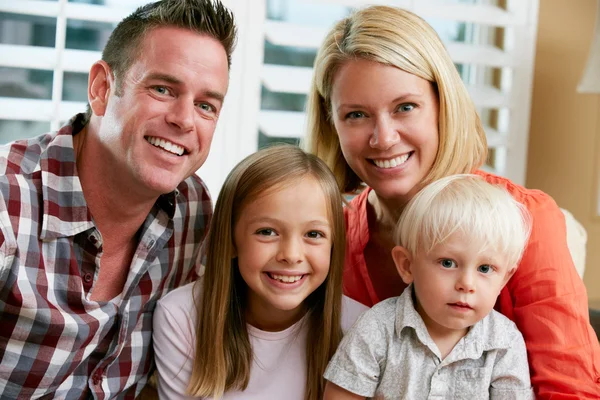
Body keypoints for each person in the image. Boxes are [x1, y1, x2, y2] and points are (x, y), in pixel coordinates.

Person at [305, 5, 600, 399]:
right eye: (356, 115)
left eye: (405, 107)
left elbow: (568, 390)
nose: (384, 138)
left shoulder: (528, 220)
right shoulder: (326, 237)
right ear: (332, 125)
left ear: (442, 105)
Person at [0, 0, 236, 398]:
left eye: (205, 105)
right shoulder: (9, 200)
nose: (184, 119)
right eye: (163, 89)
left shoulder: (194, 210)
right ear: (101, 89)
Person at [152, 145, 368, 400]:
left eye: (313, 234)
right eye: (267, 232)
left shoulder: (361, 328)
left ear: (333, 245)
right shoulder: (181, 317)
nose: (291, 254)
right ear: (230, 240)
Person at [323, 174, 533, 399]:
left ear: (503, 279)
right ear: (407, 265)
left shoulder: (504, 343)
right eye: (447, 263)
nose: (466, 284)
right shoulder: (377, 328)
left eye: (485, 269)